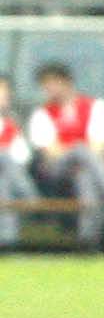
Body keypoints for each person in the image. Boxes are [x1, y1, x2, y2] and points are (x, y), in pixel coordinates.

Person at [26, 61, 104, 246]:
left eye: (53, 83)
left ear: (66, 81)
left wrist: (83, 157)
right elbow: (51, 151)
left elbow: (99, 145)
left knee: (85, 177)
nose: (49, 89)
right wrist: (79, 151)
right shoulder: (42, 114)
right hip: (56, 170)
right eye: (46, 85)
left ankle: (88, 240)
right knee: (80, 149)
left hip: (86, 167)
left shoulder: (95, 107)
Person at [0, 75, 37, 245]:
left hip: (8, 174)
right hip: (14, 175)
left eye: (6, 92)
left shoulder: (12, 123)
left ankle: (7, 242)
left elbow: (24, 155)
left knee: (4, 183)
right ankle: (29, 195)